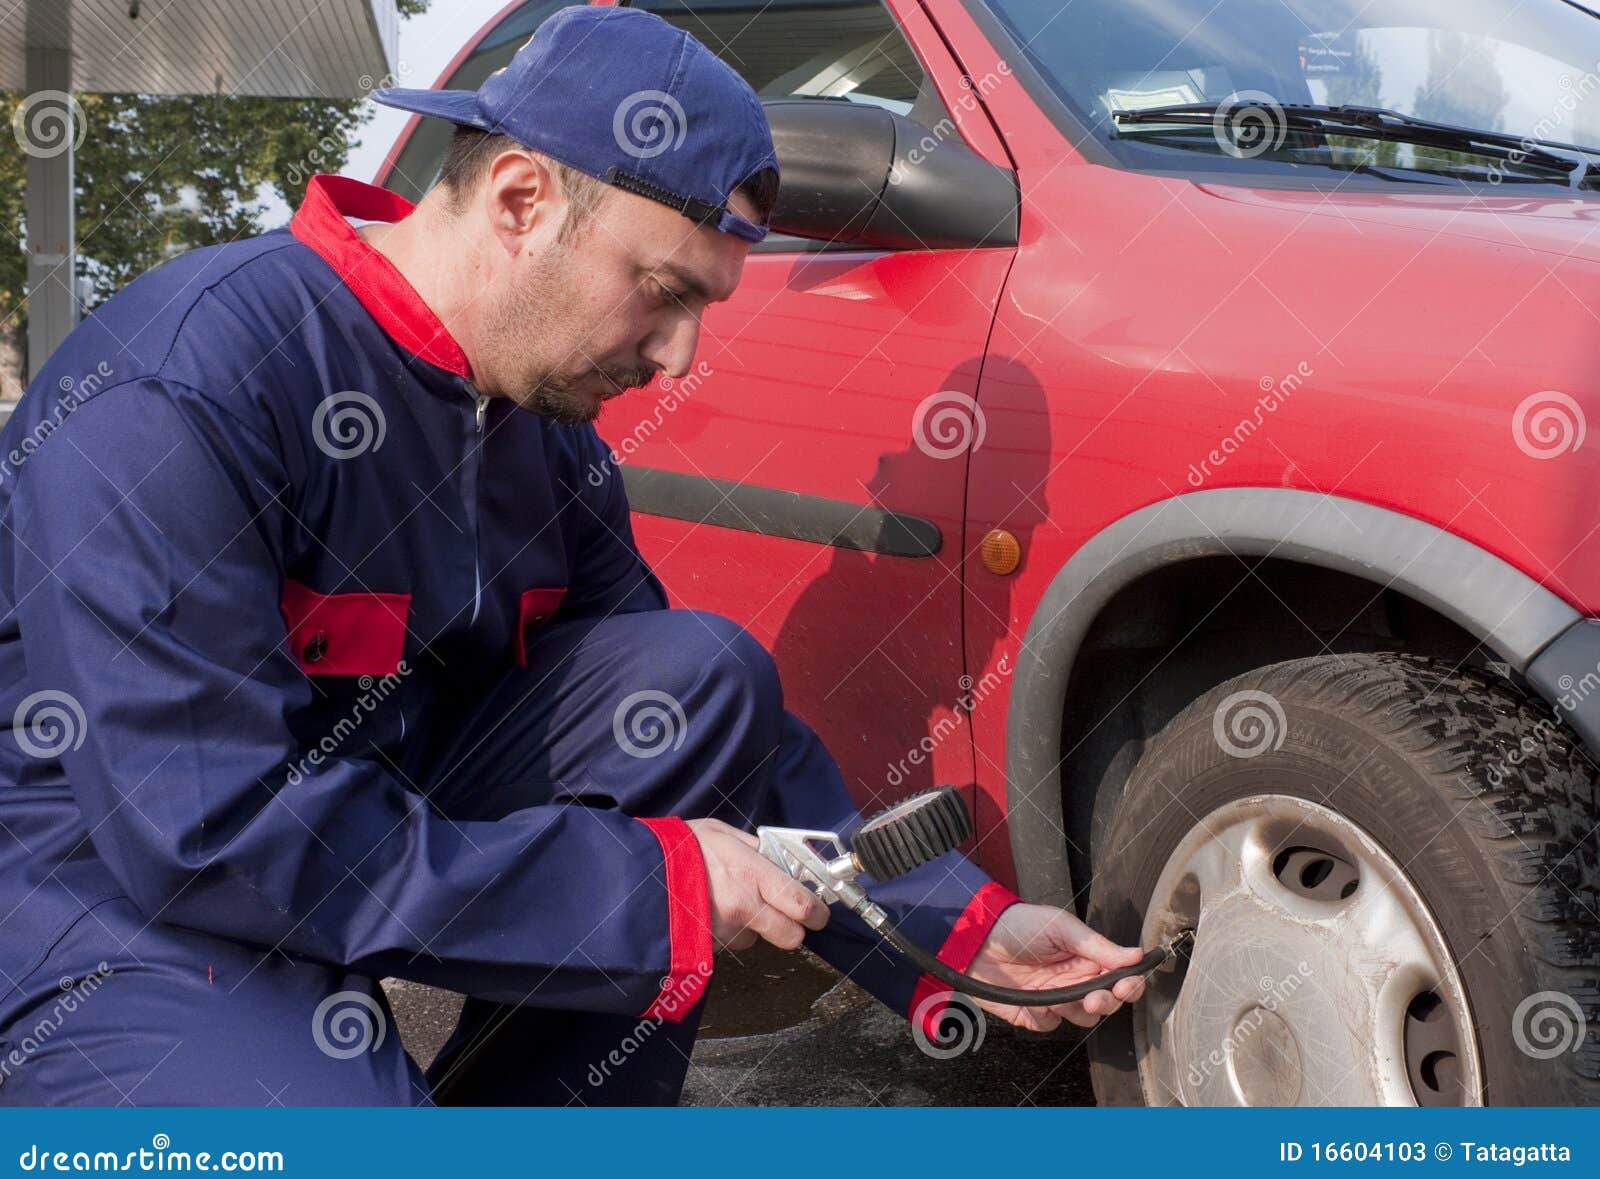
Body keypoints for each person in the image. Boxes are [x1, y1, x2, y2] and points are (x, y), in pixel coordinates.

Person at [0, 6, 1145, 1107]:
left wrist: (955, 925)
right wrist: (657, 893)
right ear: (518, 199)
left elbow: (697, 722)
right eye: (663, 292)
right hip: (111, 876)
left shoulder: (535, 430)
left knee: (698, 682)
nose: (680, 355)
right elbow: (203, 828)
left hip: (358, 819)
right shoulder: (184, 390)